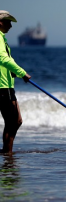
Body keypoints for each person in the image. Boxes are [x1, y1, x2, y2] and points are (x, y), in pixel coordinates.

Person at [0, 10, 31, 153]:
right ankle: (8, 156)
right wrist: (22, 73)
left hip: (7, 85)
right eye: (8, 22)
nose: (11, 26)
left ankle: (6, 153)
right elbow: (2, 59)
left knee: (16, 121)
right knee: (13, 122)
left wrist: (15, 71)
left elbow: (7, 60)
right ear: (0, 22)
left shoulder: (2, 38)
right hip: (2, 86)